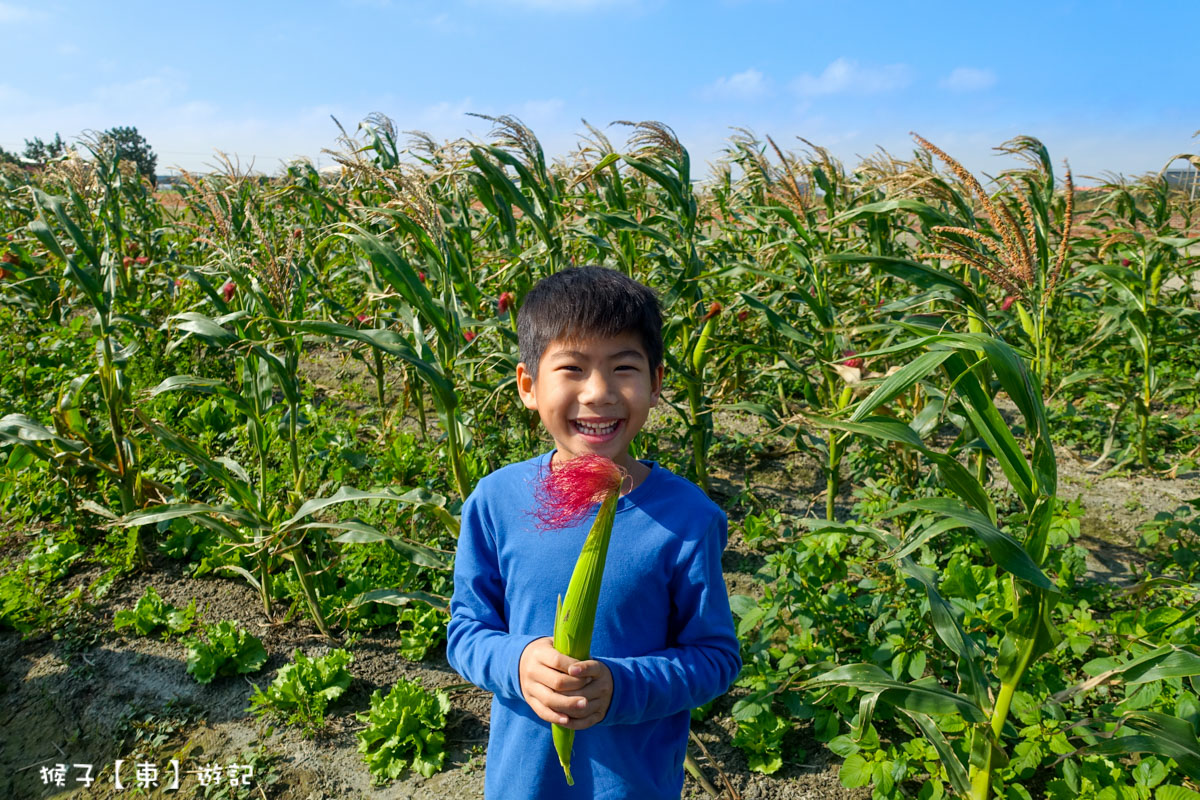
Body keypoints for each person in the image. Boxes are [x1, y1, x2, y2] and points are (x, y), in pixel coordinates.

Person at [446, 266, 741, 799]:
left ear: (655, 384)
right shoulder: (496, 502)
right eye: (573, 368)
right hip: (522, 785)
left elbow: (714, 658)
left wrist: (621, 686)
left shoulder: (687, 518)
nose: (599, 393)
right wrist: (519, 663)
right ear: (529, 387)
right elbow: (466, 632)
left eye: (623, 367)